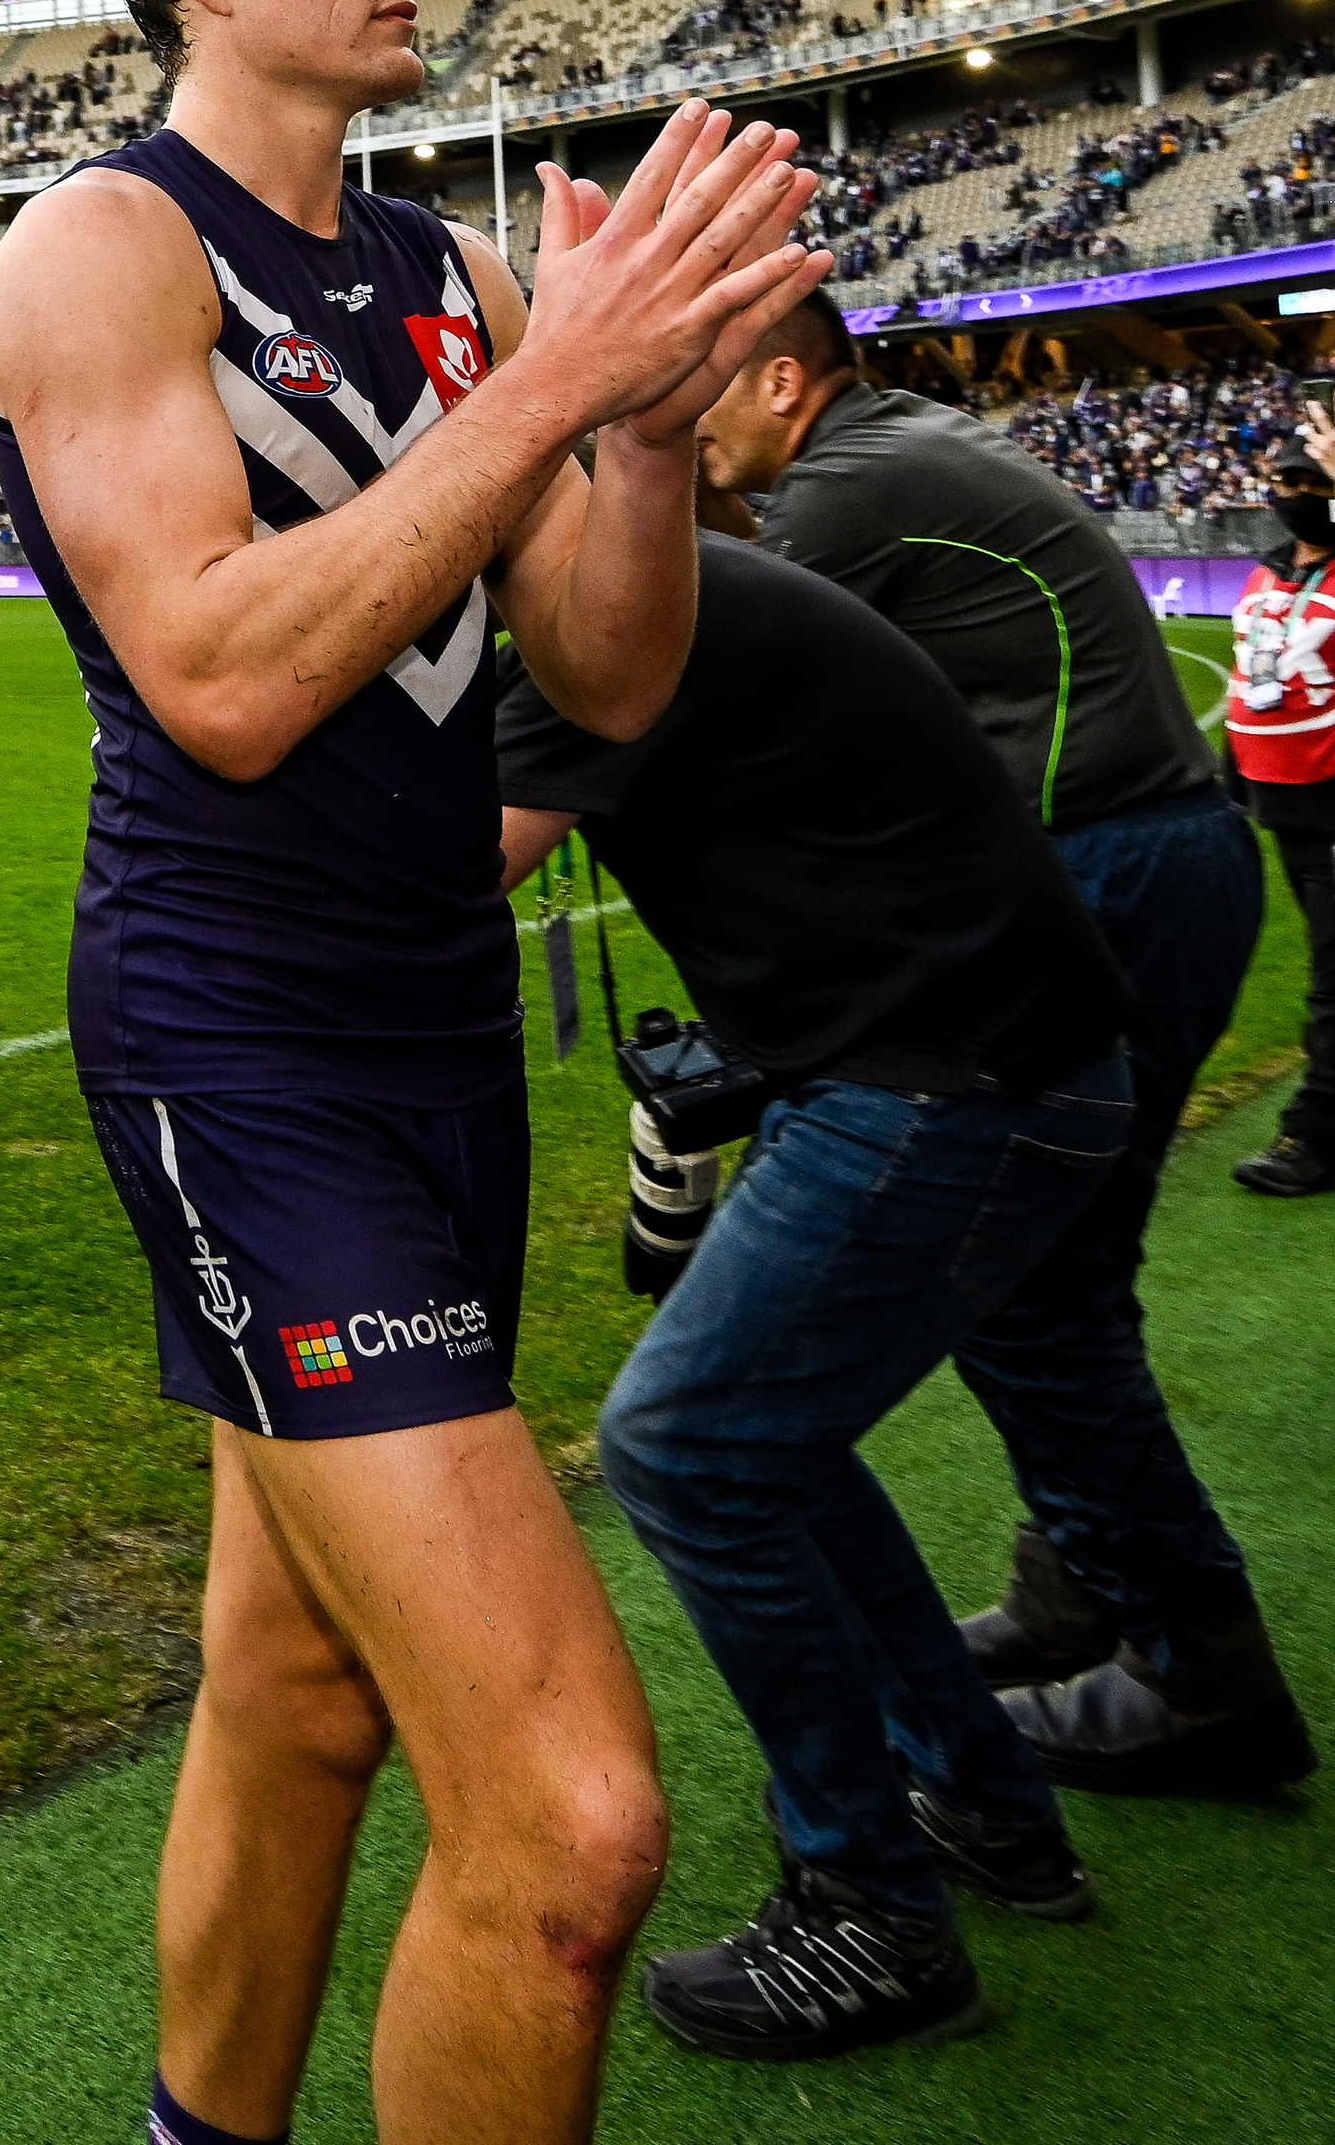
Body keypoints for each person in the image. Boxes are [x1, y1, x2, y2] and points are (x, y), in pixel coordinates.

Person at [0, 0, 820, 2145]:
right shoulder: (99, 246)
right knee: (566, 1828)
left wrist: (635, 431)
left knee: (296, 1691)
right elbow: (221, 677)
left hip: (432, 1026)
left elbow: (606, 667)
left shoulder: (432, 277)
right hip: (233, 1036)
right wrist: (550, 384)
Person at [500, 533, 1138, 2060]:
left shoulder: (604, 619)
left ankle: (871, 1907)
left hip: (946, 1084)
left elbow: (425, 886)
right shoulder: (650, 579)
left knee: (688, 1448)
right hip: (955, 1063)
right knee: (756, 1442)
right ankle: (977, 1804)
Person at [693, 296, 1310, 1798]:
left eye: (690, 384)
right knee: (1051, 1283)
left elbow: (670, 664)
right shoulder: (878, 449)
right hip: (1139, 866)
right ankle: (1087, 1594)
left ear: (781, 381)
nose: (673, 413)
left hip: (1108, 872)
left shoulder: (841, 485)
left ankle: (1198, 1677)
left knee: (1034, 1298)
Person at [1222, 439, 1335, 1198]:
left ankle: (1317, 1136)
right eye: (1283, 480)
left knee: (1334, 975)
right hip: (1282, 802)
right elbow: (1247, 676)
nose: (1291, 493)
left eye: (1311, 481)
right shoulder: (1267, 571)